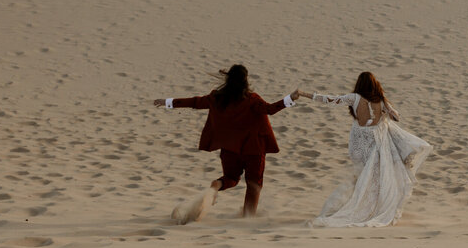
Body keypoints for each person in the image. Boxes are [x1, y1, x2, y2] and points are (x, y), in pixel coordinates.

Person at [153, 64, 298, 223]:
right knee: (254, 184)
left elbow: (195, 102)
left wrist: (168, 102)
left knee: (230, 177)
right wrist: (290, 98)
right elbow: (270, 109)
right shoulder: (252, 100)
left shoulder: (216, 98)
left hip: (230, 149)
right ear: (245, 81)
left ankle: (216, 185)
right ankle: (248, 218)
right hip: (253, 149)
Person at [301, 71, 431, 227]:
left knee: (360, 179)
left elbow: (331, 99)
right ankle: (368, 208)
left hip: (358, 145)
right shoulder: (381, 101)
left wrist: (305, 94)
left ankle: (351, 207)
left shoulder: (354, 98)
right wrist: (386, 108)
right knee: (372, 180)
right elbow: (396, 117)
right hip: (375, 145)